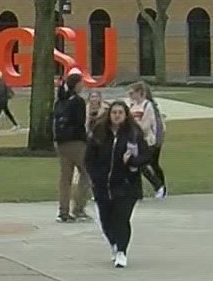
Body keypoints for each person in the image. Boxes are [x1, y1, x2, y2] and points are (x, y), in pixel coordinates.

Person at [85, 100, 153, 268]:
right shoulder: (100, 133)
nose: (117, 116)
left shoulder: (133, 134)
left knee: (121, 218)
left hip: (126, 184)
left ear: (125, 115)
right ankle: (114, 243)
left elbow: (145, 156)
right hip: (103, 185)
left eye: (120, 113)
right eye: (114, 112)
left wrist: (132, 161)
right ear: (109, 115)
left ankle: (122, 250)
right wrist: (95, 176)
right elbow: (89, 159)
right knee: (106, 219)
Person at [51, 68, 92, 223]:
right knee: (87, 173)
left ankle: (63, 211)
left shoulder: (60, 101)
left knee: (65, 178)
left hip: (61, 142)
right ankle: (79, 208)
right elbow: (80, 123)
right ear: (77, 85)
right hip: (76, 142)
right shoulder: (78, 102)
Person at [124, 81, 168, 199]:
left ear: (140, 93)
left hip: (146, 140)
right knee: (135, 165)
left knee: (144, 164)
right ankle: (139, 192)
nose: (130, 95)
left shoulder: (147, 105)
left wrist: (138, 130)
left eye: (132, 92)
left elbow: (149, 122)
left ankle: (159, 186)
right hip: (134, 140)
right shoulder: (132, 106)